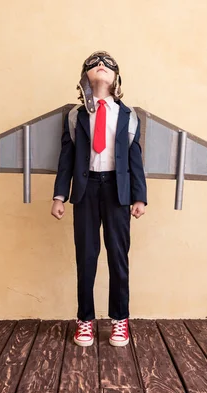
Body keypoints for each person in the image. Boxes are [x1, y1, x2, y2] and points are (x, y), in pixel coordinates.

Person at [51, 51, 147, 347]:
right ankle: (85, 320)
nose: (101, 67)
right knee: (86, 257)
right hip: (86, 190)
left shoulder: (128, 116)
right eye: (94, 64)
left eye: (108, 65)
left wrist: (139, 197)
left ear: (117, 77)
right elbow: (66, 157)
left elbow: (135, 158)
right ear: (85, 76)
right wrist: (59, 195)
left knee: (118, 257)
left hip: (117, 191)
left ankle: (120, 320)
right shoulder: (75, 116)